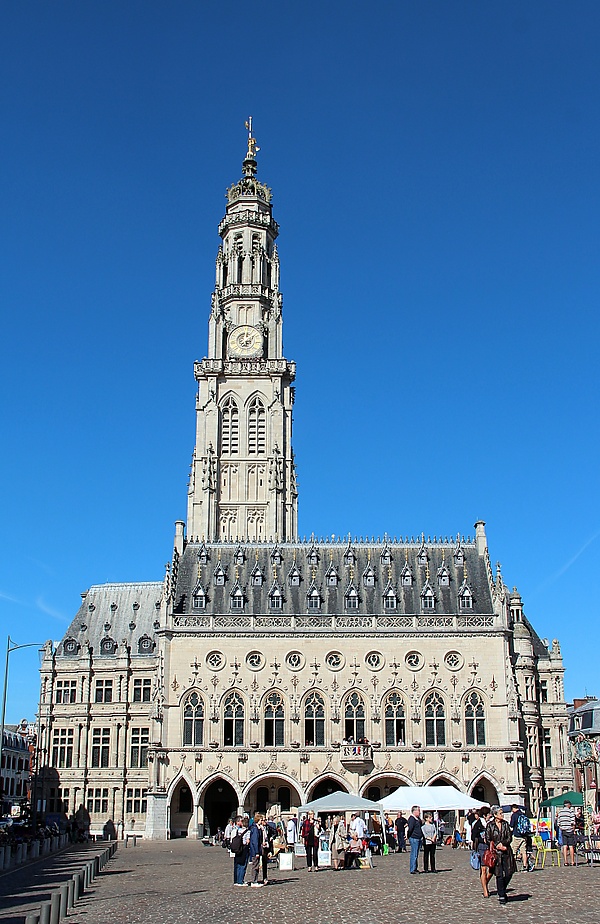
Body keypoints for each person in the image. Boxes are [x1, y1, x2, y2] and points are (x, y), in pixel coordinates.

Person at [485, 806, 515, 905]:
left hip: (506, 851)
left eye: (502, 813)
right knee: (499, 874)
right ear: (495, 815)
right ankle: (501, 894)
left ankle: (502, 889)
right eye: (500, 813)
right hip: (496, 853)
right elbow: (488, 838)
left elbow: (509, 837)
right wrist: (497, 845)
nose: (502, 815)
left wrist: (503, 844)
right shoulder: (490, 825)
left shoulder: (505, 824)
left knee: (509, 873)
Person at [471, 807, 492, 897]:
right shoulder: (478, 824)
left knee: (492, 869)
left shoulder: (491, 823)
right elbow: (473, 837)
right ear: (484, 815)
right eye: (489, 814)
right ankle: (485, 890)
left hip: (491, 847)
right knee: (483, 869)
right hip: (482, 847)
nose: (490, 815)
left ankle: (485, 882)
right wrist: (481, 839)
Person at [509, 803, 533, 872]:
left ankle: (512, 866)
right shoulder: (523, 814)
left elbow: (511, 825)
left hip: (517, 835)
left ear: (513, 809)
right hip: (524, 836)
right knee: (523, 851)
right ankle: (525, 866)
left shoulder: (514, 815)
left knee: (513, 851)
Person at [556, 799, 576, 867]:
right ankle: (572, 861)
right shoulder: (571, 811)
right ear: (568, 805)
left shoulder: (560, 812)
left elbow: (558, 823)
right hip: (569, 830)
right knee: (571, 846)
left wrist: (562, 827)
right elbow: (573, 822)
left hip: (563, 830)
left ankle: (565, 862)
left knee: (564, 846)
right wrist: (573, 829)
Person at [232, 816, 251, 887]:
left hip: (238, 849)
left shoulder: (238, 830)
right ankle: (240, 881)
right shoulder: (247, 831)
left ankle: (236, 880)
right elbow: (247, 841)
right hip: (244, 849)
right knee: (243, 865)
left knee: (237, 865)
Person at [248, 813, 265, 887]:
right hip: (255, 850)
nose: (262, 821)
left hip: (257, 849)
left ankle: (255, 880)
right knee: (255, 866)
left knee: (257, 865)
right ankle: (254, 881)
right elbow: (255, 841)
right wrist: (257, 852)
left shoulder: (258, 828)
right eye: (261, 820)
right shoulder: (255, 829)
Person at [407, 805, 423, 874]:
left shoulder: (417, 819)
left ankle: (415, 868)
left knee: (416, 854)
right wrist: (408, 836)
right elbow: (410, 829)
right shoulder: (412, 819)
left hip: (418, 838)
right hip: (414, 838)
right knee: (414, 854)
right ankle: (412, 869)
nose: (420, 812)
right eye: (418, 811)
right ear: (414, 811)